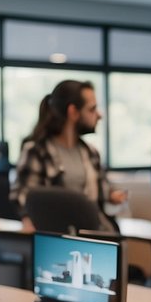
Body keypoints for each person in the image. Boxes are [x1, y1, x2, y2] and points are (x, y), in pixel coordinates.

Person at [11, 80, 127, 232]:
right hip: (57, 237)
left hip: (95, 233)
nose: (99, 115)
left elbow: (101, 191)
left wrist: (112, 195)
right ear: (73, 112)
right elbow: (24, 198)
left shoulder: (91, 153)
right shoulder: (37, 152)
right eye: (92, 109)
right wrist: (28, 222)